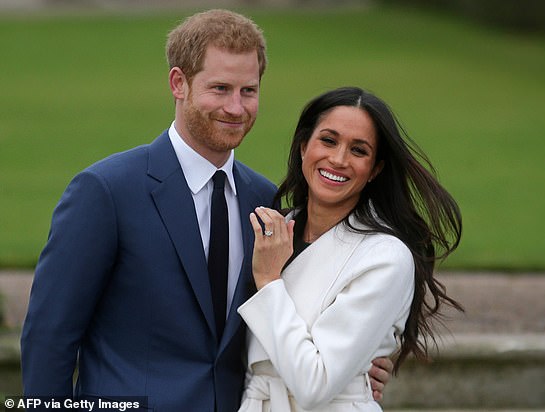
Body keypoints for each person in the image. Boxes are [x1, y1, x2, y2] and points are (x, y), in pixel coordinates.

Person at [20, 10, 391, 412]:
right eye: (220, 88)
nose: (235, 107)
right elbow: (48, 337)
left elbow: (290, 315)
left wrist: (357, 365)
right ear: (178, 83)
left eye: (248, 91)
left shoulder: (266, 201)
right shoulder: (106, 192)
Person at [236, 86, 464, 411]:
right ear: (304, 146)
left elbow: (315, 384)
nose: (339, 159)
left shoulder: (385, 257)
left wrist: (270, 282)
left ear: (375, 170)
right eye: (328, 140)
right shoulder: (272, 232)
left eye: (358, 150)